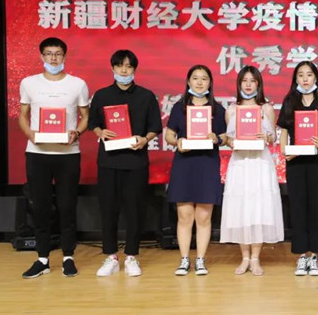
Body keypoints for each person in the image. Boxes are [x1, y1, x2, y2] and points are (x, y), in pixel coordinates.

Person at [19, 38, 89, 279]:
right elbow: (23, 115)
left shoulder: (77, 84)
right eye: (49, 54)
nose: (53, 58)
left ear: (64, 56)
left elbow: (85, 116)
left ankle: (68, 257)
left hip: (68, 155)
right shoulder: (29, 83)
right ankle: (42, 259)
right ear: (41, 56)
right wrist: (31, 135)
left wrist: (76, 132)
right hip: (37, 153)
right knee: (40, 207)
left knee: (67, 206)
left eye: (58, 54)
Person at [89, 50, 162, 277]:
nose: (124, 70)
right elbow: (93, 123)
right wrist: (100, 132)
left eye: (129, 66)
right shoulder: (101, 95)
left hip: (136, 161)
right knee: (108, 210)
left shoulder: (146, 96)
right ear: (112, 68)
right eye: (120, 66)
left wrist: (145, 139)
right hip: (108, 161)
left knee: (134, 210)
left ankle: (131, 256)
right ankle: (111, 257)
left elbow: (155, 126)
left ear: (134, 69)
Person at [220, 65, 283, 276]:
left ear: (258, 84)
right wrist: (232, 142)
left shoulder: (267, 108)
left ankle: (255, 258)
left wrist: (266, 137)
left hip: (259, 162)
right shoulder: (231, 109)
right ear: (239, 84)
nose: (248, 85)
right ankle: (244, 257)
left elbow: (273, 138)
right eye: (244, 81)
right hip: (240, 162)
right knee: (241, 208)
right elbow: (228, 139)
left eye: (252, 81)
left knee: (258, 207)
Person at [164, 65, 227, 276]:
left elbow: (225, 137)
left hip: (207, 164)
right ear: (188, 81)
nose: (199, 82)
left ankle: (200, 260)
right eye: (195, 78)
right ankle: (184, 260)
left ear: (210, 82)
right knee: (184, 216)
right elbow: (169, 135)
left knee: (203, 217)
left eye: (204, 78)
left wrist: (216, 138)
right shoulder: (179, 108)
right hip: (184, 164)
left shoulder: (218, 110)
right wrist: (177, 141)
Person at [277, 61, 318, 276]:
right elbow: (284, 130)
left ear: (315, 78)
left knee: (317, 206)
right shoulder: (290, 100)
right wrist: (284, 151)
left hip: (317, 160)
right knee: (298, 207)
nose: (305, 79)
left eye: (309, 74)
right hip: (295, 162)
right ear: (295, 79)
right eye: (301, 75)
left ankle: (315, 256)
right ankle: (302, 256)